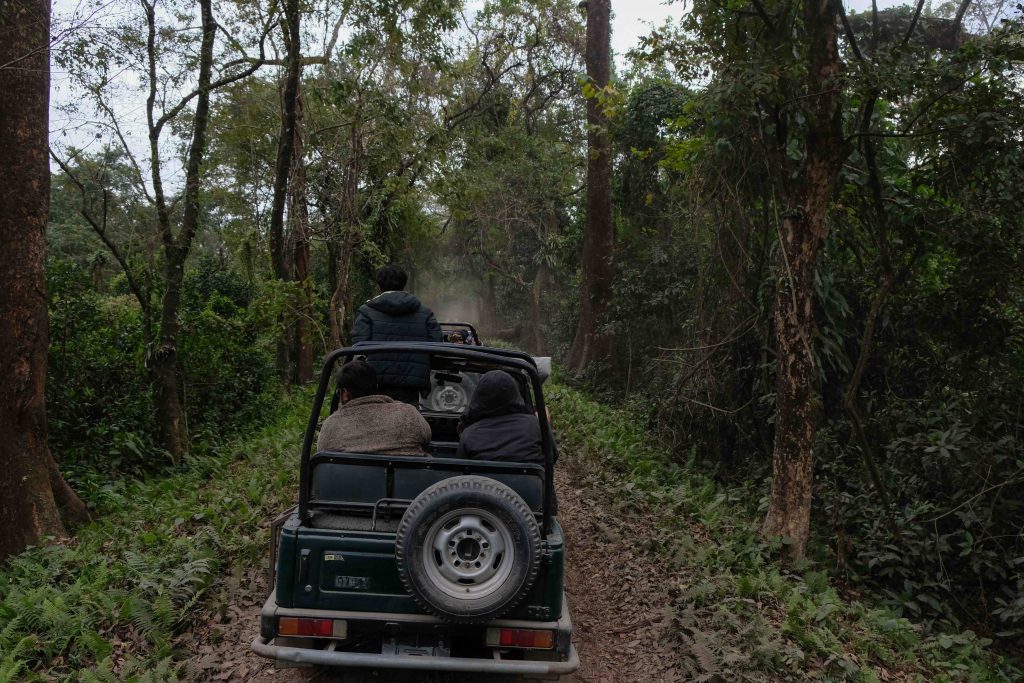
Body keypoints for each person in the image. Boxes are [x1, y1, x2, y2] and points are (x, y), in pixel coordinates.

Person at [351, 264, 442, 404]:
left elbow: (359, 345)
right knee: (407, 420)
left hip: (377, 382)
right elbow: (436, 344)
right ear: (403, 284)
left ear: (379, 286)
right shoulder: (425, 313)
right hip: (411, 384)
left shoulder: (367, 311)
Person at [317, 360, 431, 456]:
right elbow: (427, 440)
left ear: (345, 393)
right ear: (376, 387)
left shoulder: (331, 426)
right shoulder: (409, 414)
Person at [456, 370, 543, 464]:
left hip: (483, 478)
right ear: (514, 393)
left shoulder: (469, 434)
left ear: (479, 396)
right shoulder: (534, 425)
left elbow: (460, 469)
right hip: (529, 478)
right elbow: (552, 456)